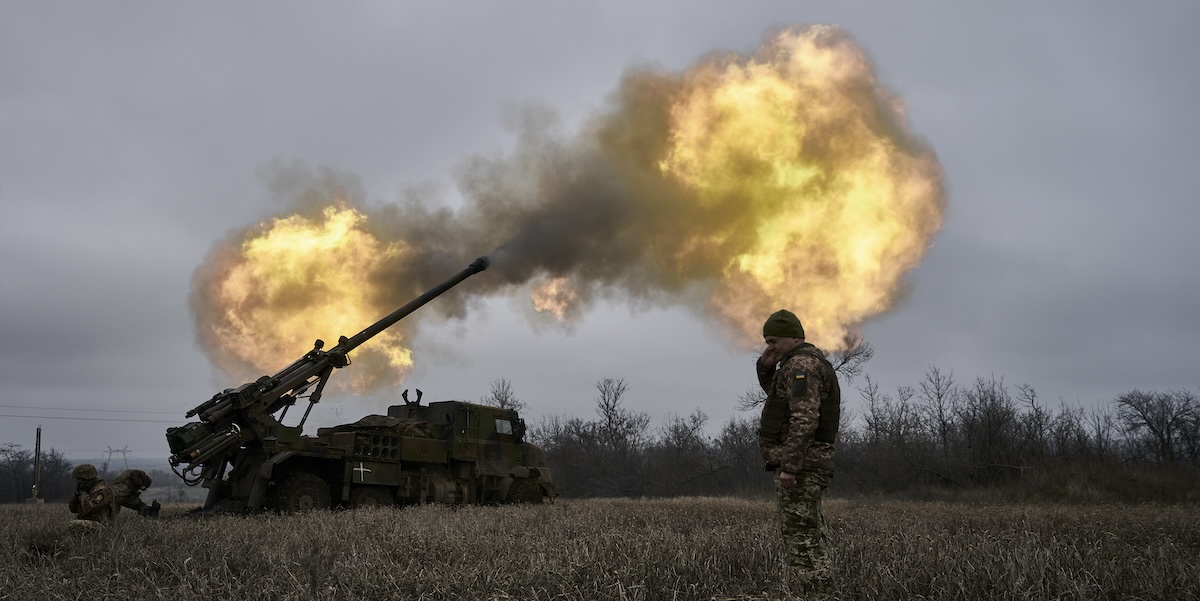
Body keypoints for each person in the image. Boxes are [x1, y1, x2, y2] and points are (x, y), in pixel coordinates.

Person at [756, 309, 841, 594]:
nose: (770, 346)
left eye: (774, 341)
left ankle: (822, 595)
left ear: (795, 337)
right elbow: (781, 399)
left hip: (803, 468)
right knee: (810, 534)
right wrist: (766, 368)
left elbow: (804, 418)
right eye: (767, 341)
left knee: (801, 539)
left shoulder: (801, 365)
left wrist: (791, 467)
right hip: (809, 464)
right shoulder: (798, 363)